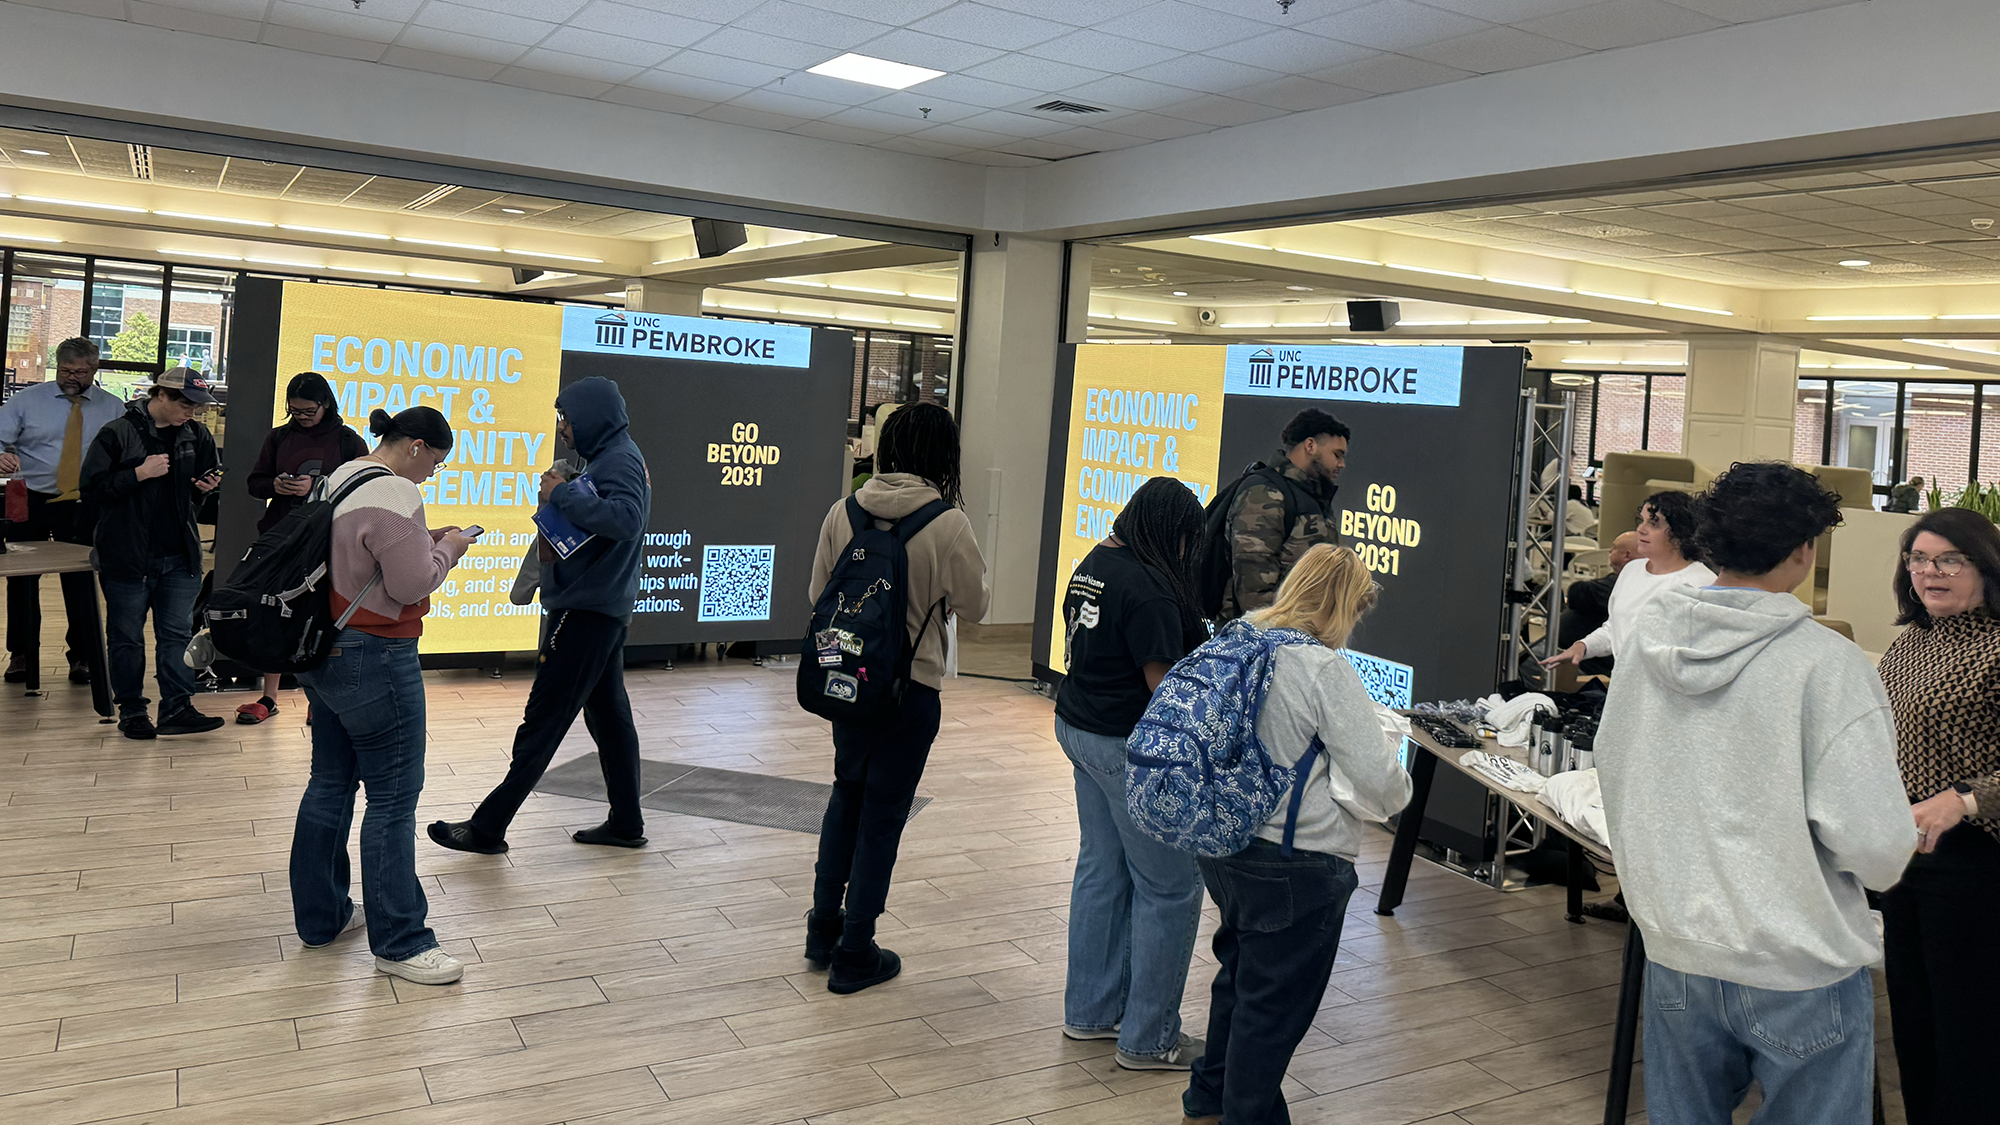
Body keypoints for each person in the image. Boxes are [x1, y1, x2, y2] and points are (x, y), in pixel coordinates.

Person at [1596, 461, 1917, 1125]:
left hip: (1677, 946)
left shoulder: (1646, 647)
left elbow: (1614, 772)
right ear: (1805, 550)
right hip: (1800, 962)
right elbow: (1879, 849)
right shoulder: (1828, 667)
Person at [1182, 543, 1413, 1125]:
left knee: (1240, 975)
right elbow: (1381, 782)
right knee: (1275, 1009)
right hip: (1298, 860)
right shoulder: (1321, 668)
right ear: (1343, 606)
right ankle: (1246, 1114)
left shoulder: (1240, 636)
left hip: (1224, 844)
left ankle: (1208, 1097)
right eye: (1357, 611)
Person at [802, 402, 988, 995]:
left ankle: (821, 931)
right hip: (911, 693)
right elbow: (977, 609)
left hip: (847, 682)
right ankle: (857, 950)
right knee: (884, 816)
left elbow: (817, 593)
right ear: (942, 456)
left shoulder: (844, 510)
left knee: (846, 798)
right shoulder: (948, 523)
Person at [290, 406, 475, 986]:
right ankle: (400, 942)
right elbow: (410, 583)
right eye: (436, 463)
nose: (431, 475)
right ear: (416, 446)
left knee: (329, 785)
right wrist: (450, 550)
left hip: (325, 651)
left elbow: (360, 554)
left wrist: (425, 539)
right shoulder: (396, 494)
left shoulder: (342, 476)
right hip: (378, 656)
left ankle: (322, 919)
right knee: (393, 800)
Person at [429, 377, 653, 855]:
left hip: (586, 611)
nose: (562, 428)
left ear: (592, 417)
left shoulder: (618, 460)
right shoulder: (611, 457)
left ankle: (489, 826)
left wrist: (561, 495)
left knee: (543, 721)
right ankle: (626, 823)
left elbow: (627, 520)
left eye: (567, 419)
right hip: (599, 610)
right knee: (609, 721)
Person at [1055, 477, 1209, 1072]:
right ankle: (1149, 1039)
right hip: (1125, 747)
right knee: (1170, 888)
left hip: (1078, 729)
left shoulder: (1097, 561)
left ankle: (1089, 1014)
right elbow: (1163, 690)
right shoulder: (1149, 590)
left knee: (1102, 870)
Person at [1874, 507, 2000, 1125]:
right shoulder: (1908, 645)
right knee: (1915, 1020)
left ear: (1986, 566)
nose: (1932, 572)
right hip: (1907, 859)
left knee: (1972, 1031)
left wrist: (1966, 797)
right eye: (1919, 559)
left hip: (1981, 863)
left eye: (1951, 559)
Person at [78, 366, 225, 739]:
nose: (192, 410)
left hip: (179, 556)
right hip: (127, 556)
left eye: (197, 404)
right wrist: (138, 474)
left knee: (176, 635)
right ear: (160, 395)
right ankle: (131, 711)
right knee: (126, 637)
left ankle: (177, 707)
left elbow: (195, 495)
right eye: (185, 402)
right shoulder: (118, 433)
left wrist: (205, 488)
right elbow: (91, 491)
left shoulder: (196, 435)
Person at [236, 371, 367, 725]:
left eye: (309, 411)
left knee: (323, 616)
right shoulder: (279, 437)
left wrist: (318, 485)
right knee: (272, 614)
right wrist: (277, 485)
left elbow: (362, 489)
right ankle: (268, 696)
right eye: (294, 412)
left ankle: (319, 697)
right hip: (280, 538)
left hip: (327, 541)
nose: (302, 418)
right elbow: (254, 483)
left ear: (326, 404)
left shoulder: (347, 441)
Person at [0, 337, 123, 685]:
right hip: (31, 498)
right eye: (66, 371)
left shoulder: (113, 408)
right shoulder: (26, 401)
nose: (72, 378)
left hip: (83, 503)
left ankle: (82, 656)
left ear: (95, 369)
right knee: (22, 581)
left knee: (81, 578)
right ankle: (22, 654)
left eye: (81, 372)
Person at [1543, 491, 1713, 669]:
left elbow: (1697, 656)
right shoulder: (1632, 570)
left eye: (1654, 523)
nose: (1641, 529)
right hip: (1623, 683)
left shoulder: (1701, 583)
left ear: (1681, 534)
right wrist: (1584, 646)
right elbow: (1615, 629)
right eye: (1642, 521)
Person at [1218, 408, 1349, 622]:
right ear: (1310, 446)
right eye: (1337, 454)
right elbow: (1253, 597)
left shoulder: (1314, 496)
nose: (1341, 464)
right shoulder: (1264, 495)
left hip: (1299, 640)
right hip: (1261, 645)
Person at [1557, 531, 1637, 675]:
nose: (1609, 551)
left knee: (1525, 661)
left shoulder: (1625, 585)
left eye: (1614, 548)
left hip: (1587, 664)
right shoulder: (1620, 582)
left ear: (1627, 555)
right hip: (1582, 651)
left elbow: (1578, 593)